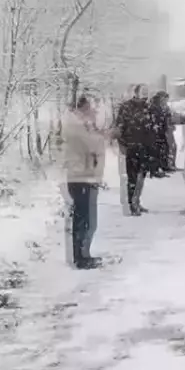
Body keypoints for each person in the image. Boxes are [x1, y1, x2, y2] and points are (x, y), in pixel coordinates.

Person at [63, 95, 108, 269]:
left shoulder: (81, 125)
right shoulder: (77, 126)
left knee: (86, 220)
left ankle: (83, 255)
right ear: (81, 109)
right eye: (90, 108)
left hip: (85, 176)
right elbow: (92, 145)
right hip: (81, 177)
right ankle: (81, 257)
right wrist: (100, 134)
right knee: (85, 220)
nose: (93, 111)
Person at [113, 85, 153, 216]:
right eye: (143, 92)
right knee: (133, 177)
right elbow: (119, 127)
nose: (146, 95)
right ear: (136, 93)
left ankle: (137, 201)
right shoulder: (126, 107)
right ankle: (132, 204)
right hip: (132, 146)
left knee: (142, 175)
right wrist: (122, 144)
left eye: (147, 92)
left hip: (145, 147)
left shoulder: (148, 107)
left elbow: (152, 127)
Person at [148, 90, 177, 177]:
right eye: (165, 99)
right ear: (160, 98)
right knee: (156, 151)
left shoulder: (164, 107)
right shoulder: (154, 107)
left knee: (164, 149)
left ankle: (164, 166)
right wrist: (156, 128)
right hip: (155, 132)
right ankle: (154, 170)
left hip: (163, 131)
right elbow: (153, 119)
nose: (166, 101)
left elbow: (167, 118)